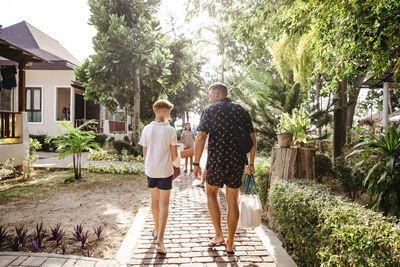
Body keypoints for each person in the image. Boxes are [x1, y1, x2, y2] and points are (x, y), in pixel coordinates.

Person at [193, 82, 256, 255]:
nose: (209, 98)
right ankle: (230, 243)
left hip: (217, 160)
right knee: (232, 200)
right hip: (236, 162)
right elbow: (252, 139)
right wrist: (251, 163)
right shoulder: (241, 111)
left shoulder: (210, 110)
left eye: (210, 95)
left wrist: (196, 163)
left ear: (217, 93)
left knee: (211, 193)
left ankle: (219, 235)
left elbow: (201, 137)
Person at [139, 99, 178, 254]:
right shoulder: (170, 130)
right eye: (168, 111)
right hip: (164, 171)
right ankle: (160, 239)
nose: (169, 114)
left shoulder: (147, 129)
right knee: (164, 205)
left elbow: (144, 152)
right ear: (162, 111)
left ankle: (156, 229)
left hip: (151, 170)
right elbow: (174, 155)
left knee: (154, 201)